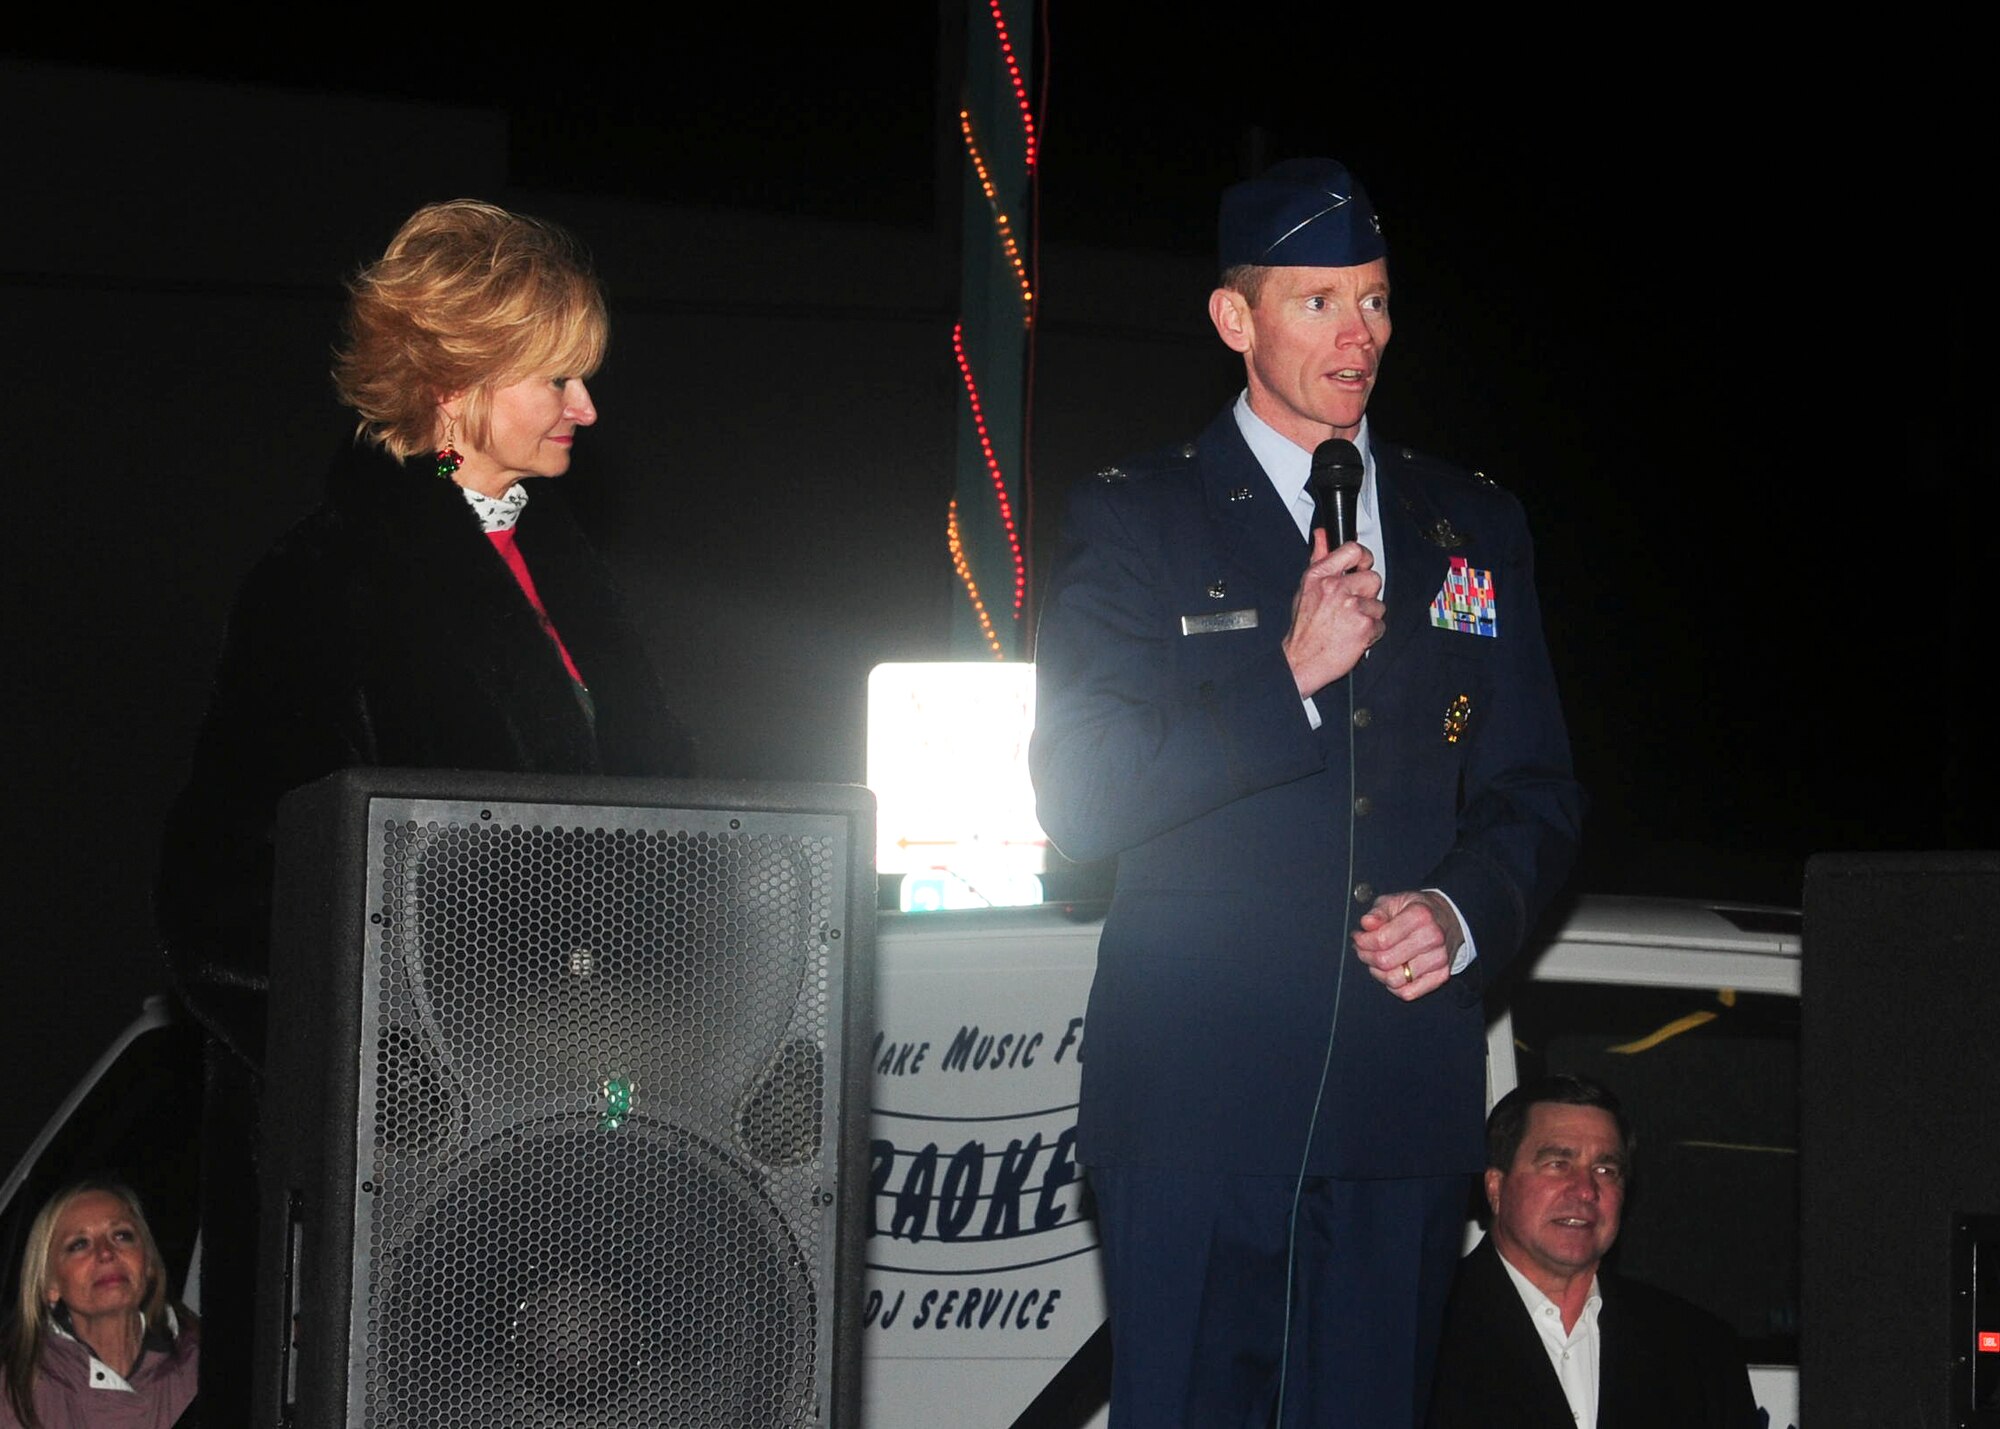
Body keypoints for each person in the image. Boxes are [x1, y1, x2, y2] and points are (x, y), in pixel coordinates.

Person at [1029, 157, 1583, 1425]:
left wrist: (1460, 913)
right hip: (1194, 1111)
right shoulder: (1139, 518)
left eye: (1375, 300)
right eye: (1318, 301)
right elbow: (1078, 793)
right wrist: (1284, 673)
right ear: (1235, 319)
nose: (1357, 335)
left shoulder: (1470, 525)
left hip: (1397, 1113)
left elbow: (1536, 788)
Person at [156, 198, 695, 1419]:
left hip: (580, 1134)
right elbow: (214, 904)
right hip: (401, 1172)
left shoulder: (569, 572)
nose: (585, 409)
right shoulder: (323, 580)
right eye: (556, 379)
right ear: (455, 381)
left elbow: (673, 834)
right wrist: (392, 1083)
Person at [1426, 1075, 1759, 1428]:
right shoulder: (1426, 1330)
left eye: (1605, 1169)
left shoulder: (1698, 1348)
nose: (1586, 1190)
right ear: (1496, 1186)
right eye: (1558, 1164)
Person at [1, 1182, 199, 1429]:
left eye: (122, 1235)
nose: (106, 1252)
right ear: (50, 1284)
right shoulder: (16, 1396)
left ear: (147, 1263)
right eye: (80, 1244)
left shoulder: (208, 1362)